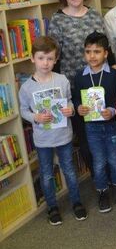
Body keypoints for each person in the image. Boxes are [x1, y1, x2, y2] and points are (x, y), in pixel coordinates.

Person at [49, 0, 115, 173]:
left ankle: (115, 176)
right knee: (86, 137)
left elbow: (107, 46)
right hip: (75, 86)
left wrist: (114, 70)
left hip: (101, 82)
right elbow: (55, 58)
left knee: (110, 132)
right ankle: (99, 180)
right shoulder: (57, 20)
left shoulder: (94, 14)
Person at [19, 36, 88, 226]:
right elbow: (23, 110)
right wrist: (35, 117)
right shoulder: (26, 88)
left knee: (69, 170)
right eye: (41, 58)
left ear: (56, 59)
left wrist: (70, 109)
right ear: (32, 58)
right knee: (47, 173)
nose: (45, 63)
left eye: (50, 58)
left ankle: (76, 202)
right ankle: (52, 207)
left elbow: (69, 101)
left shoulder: (61, 79)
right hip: (42, 139)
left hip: (63, 135)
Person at [73, 32, 116, 213]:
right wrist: (79, 107)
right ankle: (102, 190)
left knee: (114, 159)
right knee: (98, 161)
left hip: (111, 126)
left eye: (97, 52)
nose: (92, 56)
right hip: (92, 127)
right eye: (88, 52)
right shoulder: (80, 76)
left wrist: (111, 111)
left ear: (106, 53)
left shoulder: (114, 75)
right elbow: (75, 99)